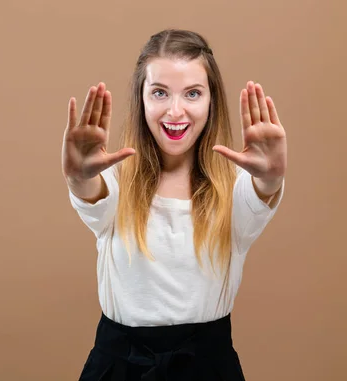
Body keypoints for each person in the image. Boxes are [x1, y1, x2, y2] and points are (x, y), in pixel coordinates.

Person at [61, 29, 287, 381]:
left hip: (208, 368)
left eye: (193, 93)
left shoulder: (234, 188)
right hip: (118, 367)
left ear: (211, 101)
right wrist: (78, 177)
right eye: (160, 93)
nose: (176, 111)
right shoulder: (116, 182)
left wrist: (271, 177)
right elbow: (92, 194)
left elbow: (261, 192)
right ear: (142, 99)